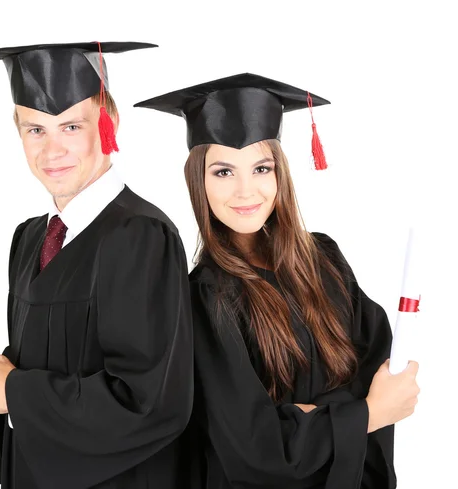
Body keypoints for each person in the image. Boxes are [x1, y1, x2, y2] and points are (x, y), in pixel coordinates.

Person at [134, 72, 420, 488]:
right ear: (199, 181)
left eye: (261, 168)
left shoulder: (325, 258)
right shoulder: (202, 298)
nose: (246, 191)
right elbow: (253, 447)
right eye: (223, 172)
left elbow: (380, 368)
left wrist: (310, 418)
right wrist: (366, 413)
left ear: (279, 174)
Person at [0, 41, 195, 489]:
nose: (52, 151)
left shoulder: (140, 236)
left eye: (71, 126)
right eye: (35, 130)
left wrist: (12, 394)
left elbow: (149, 403)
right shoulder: (30, 237)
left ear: (108, 122)